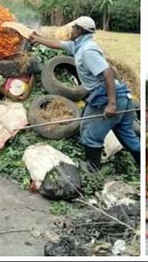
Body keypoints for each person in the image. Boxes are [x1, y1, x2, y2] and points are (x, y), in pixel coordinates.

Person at [28, 16, 139, 171]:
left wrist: (112, 104)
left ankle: (92, 170)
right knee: (128, 137)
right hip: (121, 95)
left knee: (90, 134)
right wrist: (37, 38)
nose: (71, 30)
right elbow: (56, 44)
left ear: (79, 30)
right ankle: (145, 167)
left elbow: (107, 73)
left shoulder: (88, 51)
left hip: (106, 97)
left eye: (73, 28)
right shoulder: (79, 46)